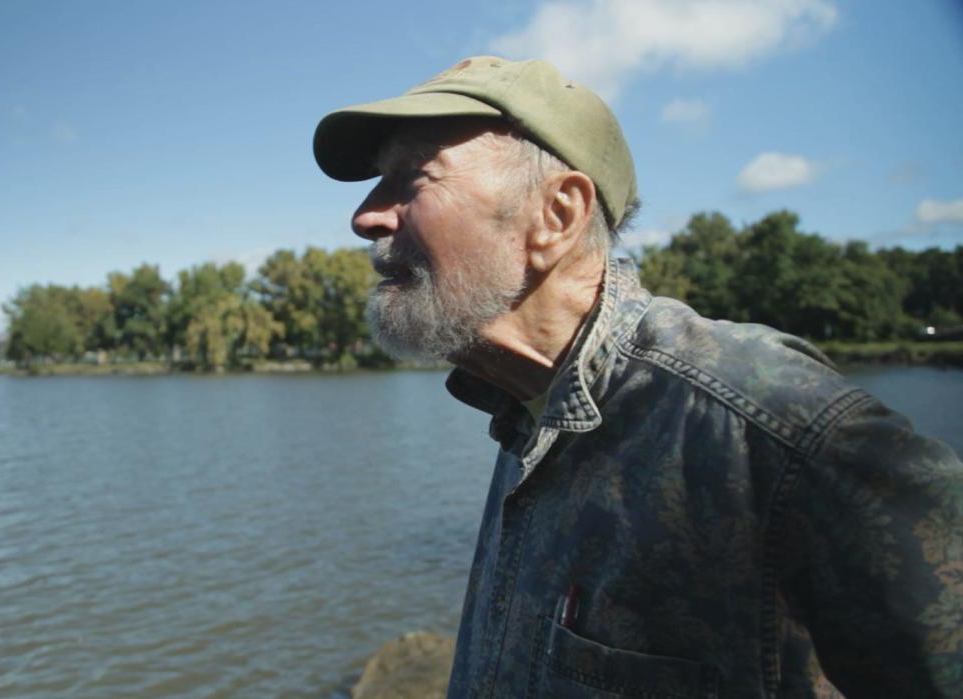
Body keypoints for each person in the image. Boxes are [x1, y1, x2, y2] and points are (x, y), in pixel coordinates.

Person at [313, 56, 963, 698]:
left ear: (556, 215)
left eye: (412, 179)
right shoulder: (523, 406)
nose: (365, 215)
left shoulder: (771, 425)